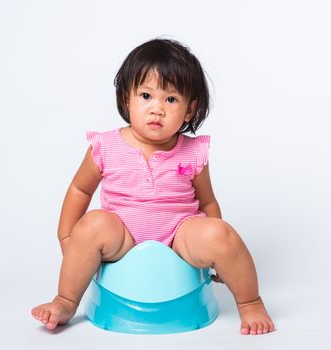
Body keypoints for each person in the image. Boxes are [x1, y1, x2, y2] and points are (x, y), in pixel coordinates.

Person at [31, 38, 275, 335]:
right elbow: (80, 190)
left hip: (179, 237)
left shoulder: (193, 151)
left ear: (189, 110)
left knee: (222, 233)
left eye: (171, 100)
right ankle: (66, 300)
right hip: (122, 237)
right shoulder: (105, 146)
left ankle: (250, 301)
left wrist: (216, 252)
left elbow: (207, 201)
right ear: (126, 99)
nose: (157, 109)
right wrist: (67, 234)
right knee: (93, 224)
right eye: (146, 95)